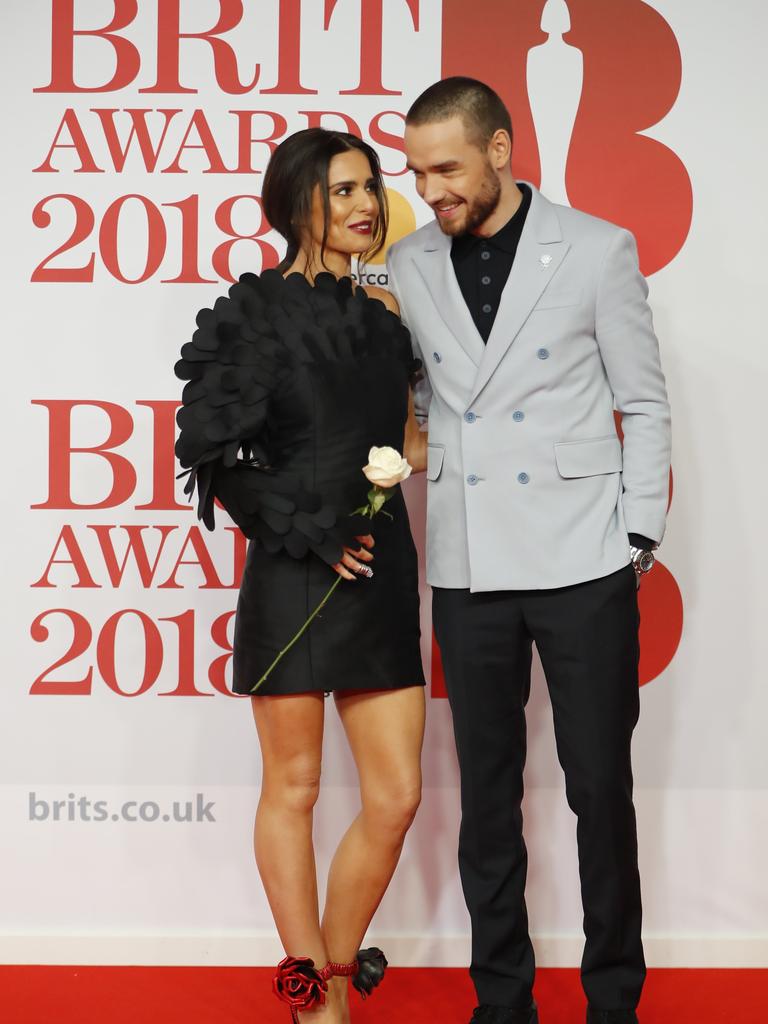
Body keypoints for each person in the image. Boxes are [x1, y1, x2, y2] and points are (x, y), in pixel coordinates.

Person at [387, 77, 671, 1024]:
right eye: (420, 171)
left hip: (584, 558)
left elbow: (642, 400)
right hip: (469, 567)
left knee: (600, 788)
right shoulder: (413, 261)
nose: (433, 189)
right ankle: (501, 1001)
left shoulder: (596, 249)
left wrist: (636, 534)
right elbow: (429, 394)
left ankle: (613, 1001)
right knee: (486, 796)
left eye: (449, 167)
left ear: (501, 150)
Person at [175, 127, 427, 1024]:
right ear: (296, 206)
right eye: (343, 191)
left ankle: (327, 972)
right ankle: (317, 999)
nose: (365, 206)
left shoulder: (387, 318)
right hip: (293, 570)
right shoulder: (252, 312)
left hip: (382, 567)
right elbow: (208, 452)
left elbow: (412, 435)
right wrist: (306, 528)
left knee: (397, 796)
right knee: (296, 788)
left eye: (370, 188)